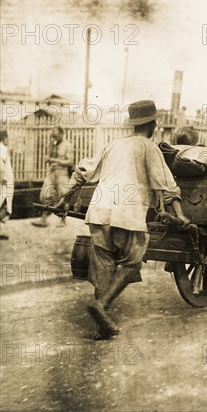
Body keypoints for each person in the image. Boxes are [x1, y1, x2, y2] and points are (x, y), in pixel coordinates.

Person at [59, 100, 190, 339]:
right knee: (131, 265)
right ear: (152, 124)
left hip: (99, 212)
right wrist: (180, 215)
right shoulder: (149, 148)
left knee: (104, 265)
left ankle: (102, 325)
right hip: (126, 214)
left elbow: (83, 171)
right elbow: (167, 185)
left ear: (132, 124)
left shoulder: (113, 145)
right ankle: (101, 306)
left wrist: (63, 198)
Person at [32, 126, 73, 228]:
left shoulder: (68, 145)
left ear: (61, 134)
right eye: (53, 136)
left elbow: (70, 162)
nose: (54, 137)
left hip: (62, 172)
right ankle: (44, 219)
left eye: (56, 136)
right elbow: (48, 157)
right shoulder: (53, 144)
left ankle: (63, 220)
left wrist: (56, 161)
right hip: (51, 172)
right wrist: (50, 151)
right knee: (46, 194)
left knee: (63, 196)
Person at [0, 129, 14, 240]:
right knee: (3, 204)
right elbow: (0, 163)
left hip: (4, 181)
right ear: (4, 138)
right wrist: (4, 178)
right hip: (3, 182)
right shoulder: (2, 148)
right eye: (7, 138)